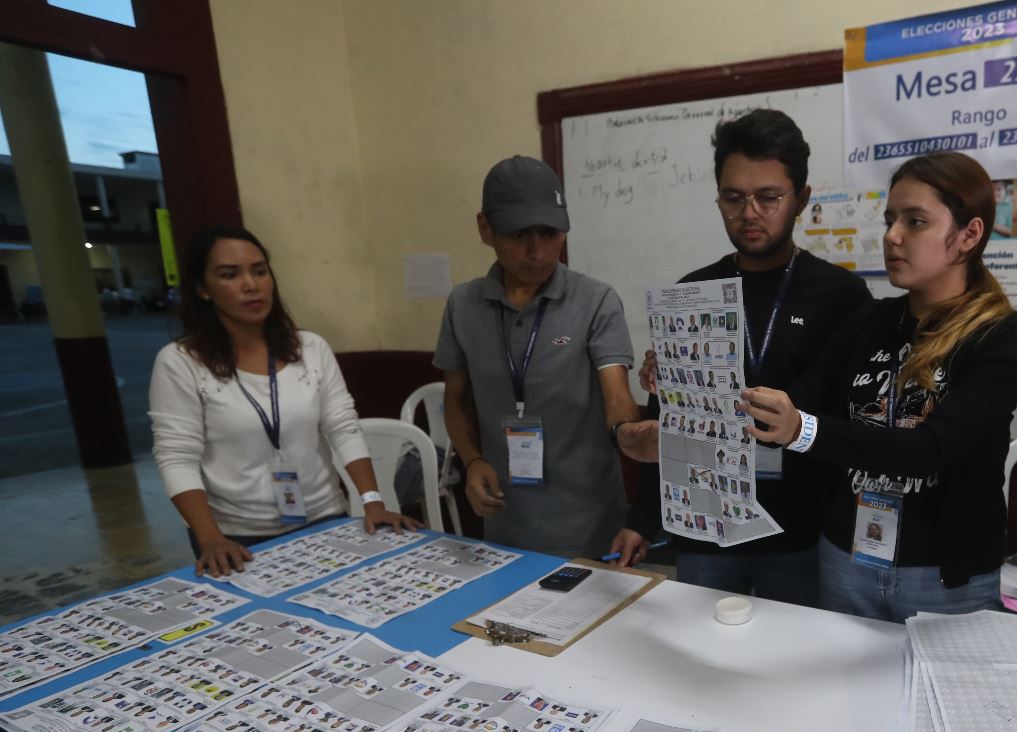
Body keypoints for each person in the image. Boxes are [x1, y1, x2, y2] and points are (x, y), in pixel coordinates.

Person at [743, 152, 1017, 622]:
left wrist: (804, 430)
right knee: (844, 694)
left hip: (943, 577)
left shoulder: (1002, 337)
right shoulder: (872, 320)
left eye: (915, 222)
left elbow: (930, 448)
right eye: (890, 220)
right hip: (848, 558)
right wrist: (689, 378)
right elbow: (803, 397)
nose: (892, 236)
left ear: (969, 235)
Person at [612, 109, 872, 606]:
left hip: (802, 530)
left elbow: (854, 425)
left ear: (802, 199)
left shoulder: (843, 296)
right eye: (733, 198)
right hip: (707, 527)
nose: (750, 213)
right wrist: (641, 517)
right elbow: (666, 421)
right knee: (700, 658)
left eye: (769, 197)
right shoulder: (692, 293)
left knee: (792, 667)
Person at [149, 226, 416, 577]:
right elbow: (176, 457)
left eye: (259, 271)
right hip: (237, 540)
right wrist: (210, 537)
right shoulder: (181, 362)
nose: (251, 284)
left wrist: (372, 502)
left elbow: (342, 426)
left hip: (326, 519)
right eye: (230, 275)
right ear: (202, 288)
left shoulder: (310, 348)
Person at [435, 156, 647, 557]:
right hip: (504, 522)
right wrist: (473, 460)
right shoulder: (463, 305)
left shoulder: (595, 301)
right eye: (519, 235)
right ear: (486, 229)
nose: (537, 251)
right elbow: (455, 402)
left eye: (550, 233)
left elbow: (617, 396)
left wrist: (628, 433)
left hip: (588, 523)